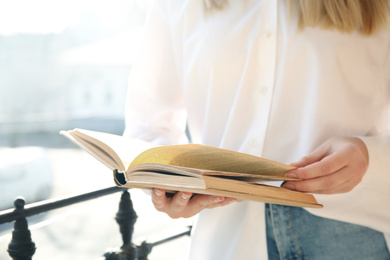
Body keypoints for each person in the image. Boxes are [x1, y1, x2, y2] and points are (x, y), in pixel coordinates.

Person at [123, 0, 390, 259]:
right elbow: (148, 123)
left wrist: (371, 156)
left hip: (351, 228)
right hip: (229, 234)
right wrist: (168, 184)